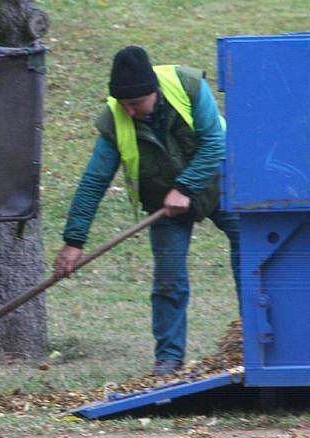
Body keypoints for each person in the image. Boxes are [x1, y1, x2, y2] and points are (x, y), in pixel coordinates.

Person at [53, 45, 240, 377]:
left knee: (254, 256)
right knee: (169, 280)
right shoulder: (115, 120)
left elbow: (215, 143)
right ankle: (168, 361)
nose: (130, 111)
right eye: (124, 105)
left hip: (223, 180)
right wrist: (74, 240)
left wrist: (184, 187)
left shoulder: (189, 86)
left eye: (136, 103)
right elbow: (94, 181)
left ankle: (255, 342)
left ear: (153, 91)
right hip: (162, 203)